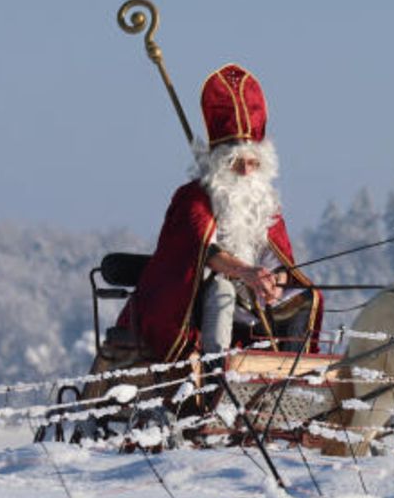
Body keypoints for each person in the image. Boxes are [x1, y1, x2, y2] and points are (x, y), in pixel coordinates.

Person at [117, 63, 322, 363]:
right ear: (218, 161)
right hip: (198, 296)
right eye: (236, 162)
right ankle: (216, 374)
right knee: (221, 292)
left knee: (307, 298)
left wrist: (274, 280)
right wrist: (245, 272)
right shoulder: (193, 197)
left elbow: (275, 255)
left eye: (253, 163)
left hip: (253, 295)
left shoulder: (264, 199)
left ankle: (292, 372)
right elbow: (202, 252)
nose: (245, 170)